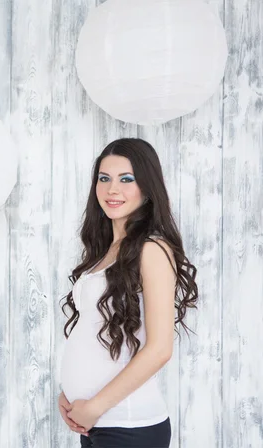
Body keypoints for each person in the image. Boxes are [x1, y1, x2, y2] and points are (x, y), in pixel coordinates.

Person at [57, 138, 199, 447]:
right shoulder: (106, 250)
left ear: (147, 188)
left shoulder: (152, 249)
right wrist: (70, 396)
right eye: (104, 178)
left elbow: (160, 349)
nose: (112, 190)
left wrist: (93, 406)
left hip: (128, 427)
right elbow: (92, 332)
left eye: (126, 179)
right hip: (96, 424)